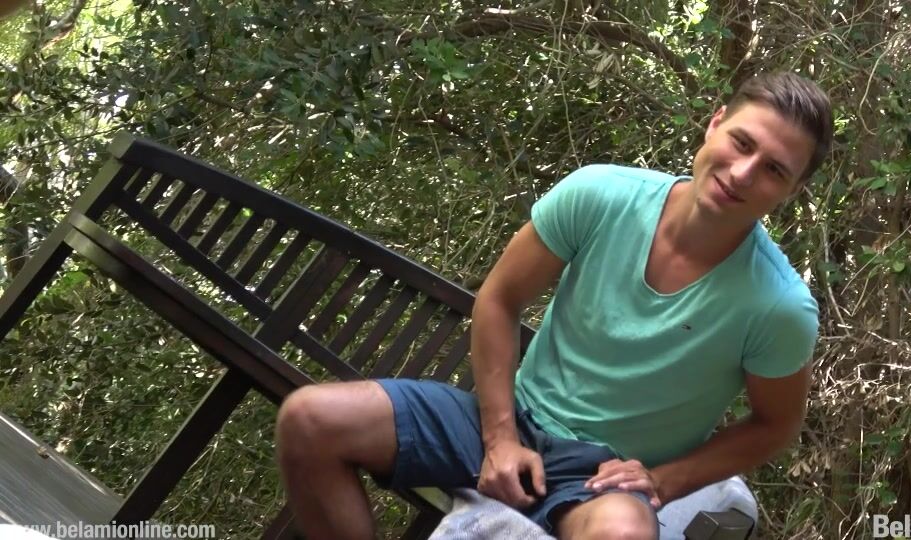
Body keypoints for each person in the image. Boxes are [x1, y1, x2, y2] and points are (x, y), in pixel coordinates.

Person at [275, 71, 833, 540]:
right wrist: (500, 438)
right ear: (715, 123)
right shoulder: (601, 194)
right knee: (310, 420)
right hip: (510, 419)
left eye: (774, 170)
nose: (743, 173)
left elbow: (774, 425)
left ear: (792, 191)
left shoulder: (778, 306)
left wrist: (664, 481)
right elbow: (500, 299)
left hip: (602, 474)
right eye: (742, 143)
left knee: (623, 535)